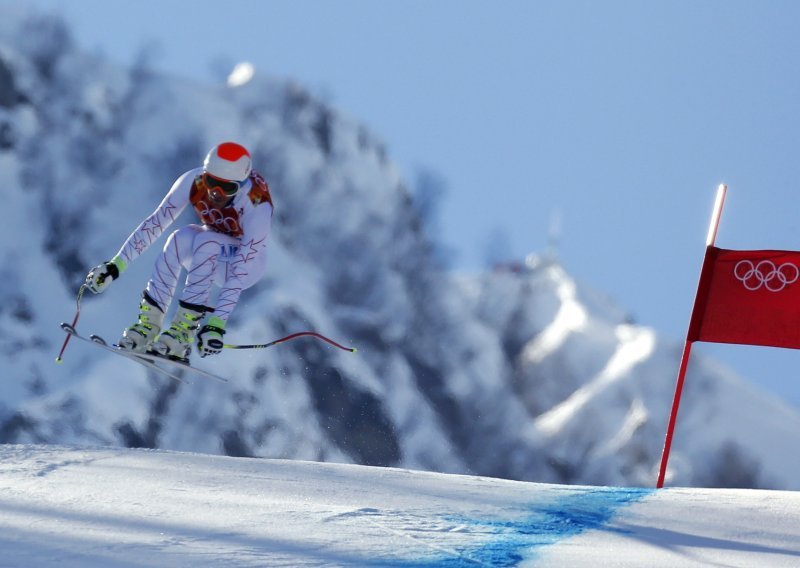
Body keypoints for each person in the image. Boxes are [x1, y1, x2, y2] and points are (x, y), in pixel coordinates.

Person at [84, 142, 273, 362]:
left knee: (207, 240)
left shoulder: (258, 205)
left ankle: (182, 334)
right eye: (212, 182)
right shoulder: (194, 182)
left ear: (241, 185)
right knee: (178, 239)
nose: (215, 193)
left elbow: (242, 269)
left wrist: (217, 324)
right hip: (210, 255)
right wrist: (116, 266)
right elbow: (156, 223)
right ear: (205, 174)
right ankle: (148, 326)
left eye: (227, 188)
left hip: (247, 265)